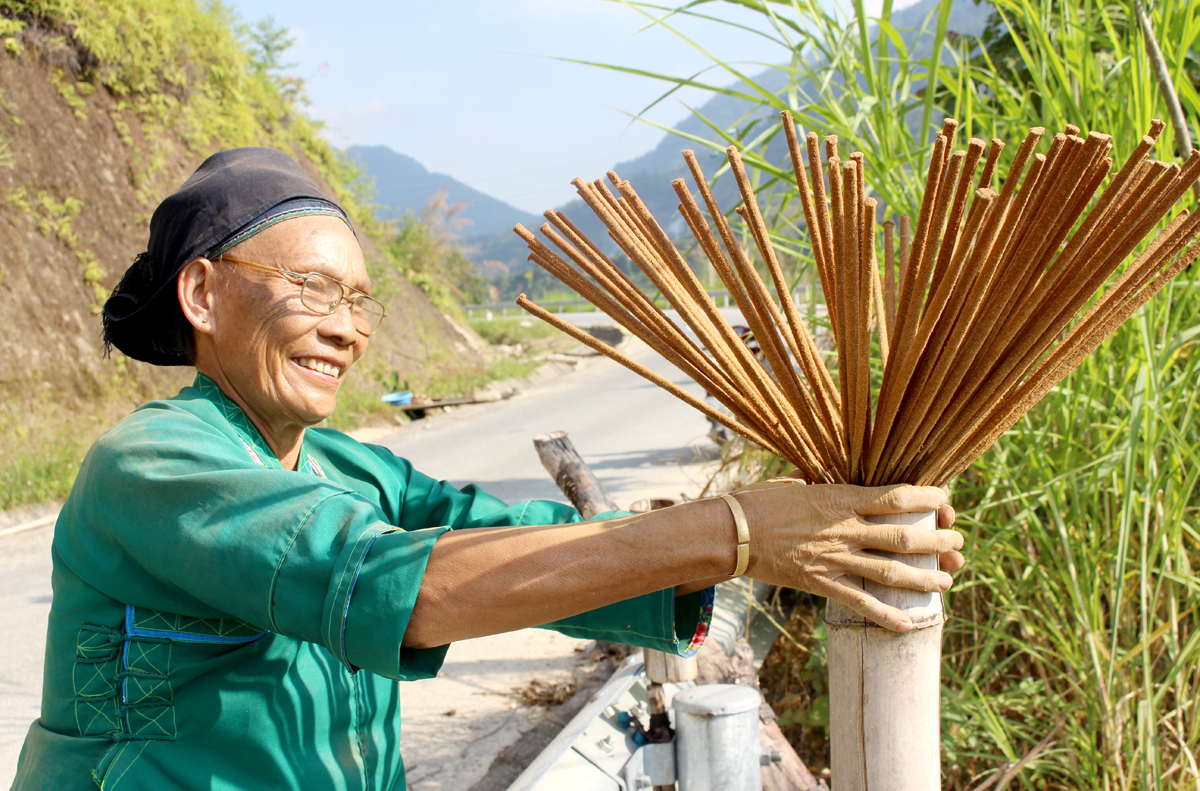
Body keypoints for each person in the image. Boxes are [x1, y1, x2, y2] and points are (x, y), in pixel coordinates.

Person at [10, 148, 964, 790]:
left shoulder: (345, 466)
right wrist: (734, 532)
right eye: (310, 288)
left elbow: (503, 545)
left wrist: (764, 545)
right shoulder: (154, 463)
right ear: (203, 293)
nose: (345, 326)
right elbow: (405, 590)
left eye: (358, 298)